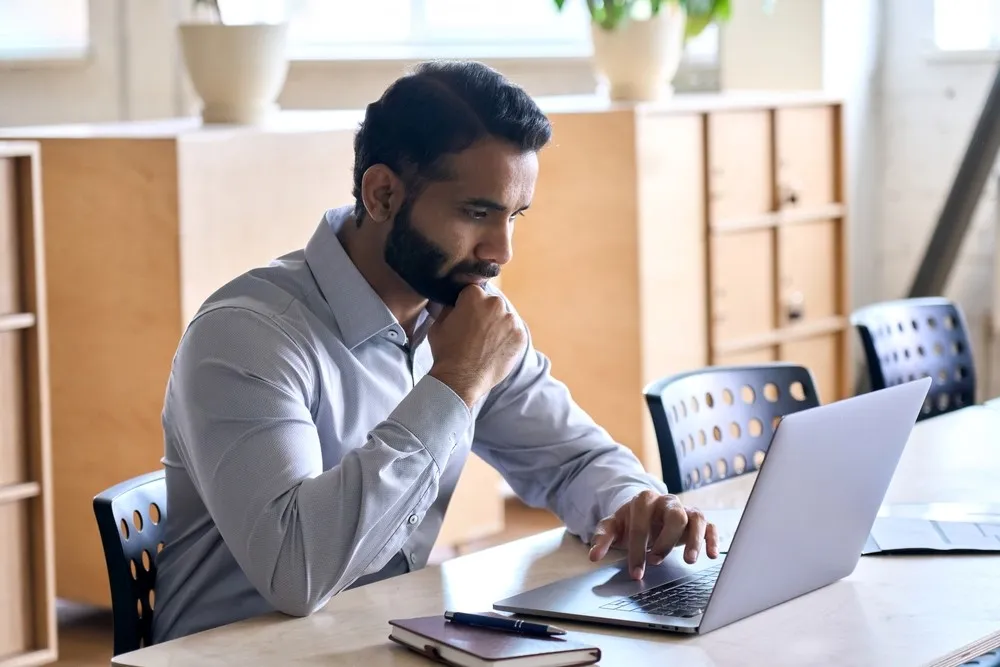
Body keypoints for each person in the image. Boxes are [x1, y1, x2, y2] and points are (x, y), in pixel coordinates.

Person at [151, 60, 719, 644]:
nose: (501, 251)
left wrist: (634, 502)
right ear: (382, 194)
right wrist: (454, 383)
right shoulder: (248, 337)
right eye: (477, 213)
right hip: (234, 654)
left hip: (374, 637)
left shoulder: (455, 310)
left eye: (514, 216)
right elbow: (296, 571)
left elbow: (571, 459)